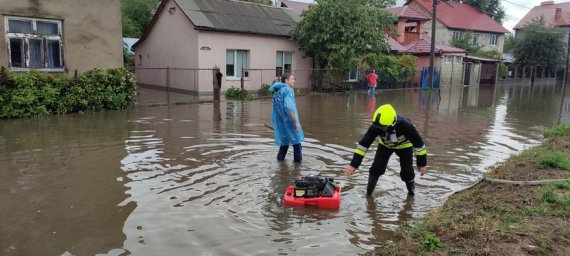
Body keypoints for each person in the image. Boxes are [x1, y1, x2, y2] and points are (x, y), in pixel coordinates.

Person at [344, 104, 427, 196]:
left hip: (404, 146)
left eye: (382, 128)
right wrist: (354, 164)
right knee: (376, 168)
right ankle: (368, 195)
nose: (379, 129)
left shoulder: (406, 125)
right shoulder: (376, 126)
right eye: (378, 127)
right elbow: (363, 144)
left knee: (407, 172)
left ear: (392, 124)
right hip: (385, 145)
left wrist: (422, 164)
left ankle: (411, 194)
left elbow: (419, 145)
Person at [269, 73, 304, 162]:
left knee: (284, 145)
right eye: (292, 79)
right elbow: (289, 107)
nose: (294, 80)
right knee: (297, 145)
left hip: (281, 122)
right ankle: (297, 169)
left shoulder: (278, 91)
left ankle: (281, 166)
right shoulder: (288, 90)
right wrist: (296, 122)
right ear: (286, 80)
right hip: (290, 121)